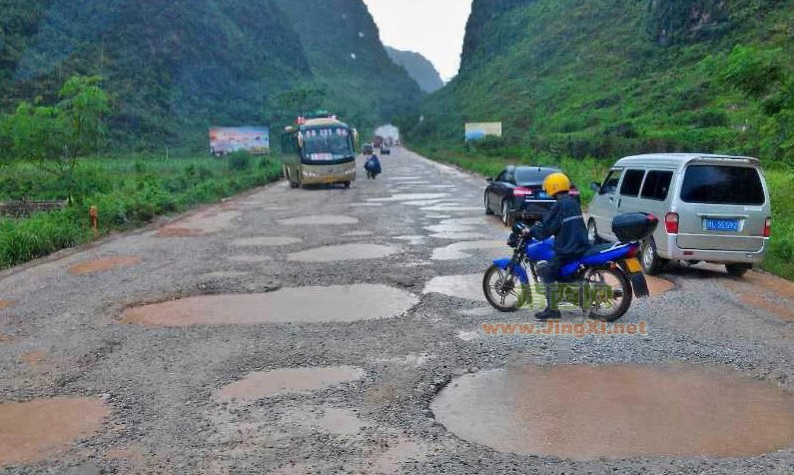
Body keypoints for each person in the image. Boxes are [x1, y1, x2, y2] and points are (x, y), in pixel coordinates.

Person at [529, 172, 591, 320]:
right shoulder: (573, 202)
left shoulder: (559, 205)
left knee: (547, 273)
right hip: (581, 245)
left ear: (553, 187)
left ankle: (552, 310)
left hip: (568, 249)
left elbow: (546, 230)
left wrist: (531, 230)